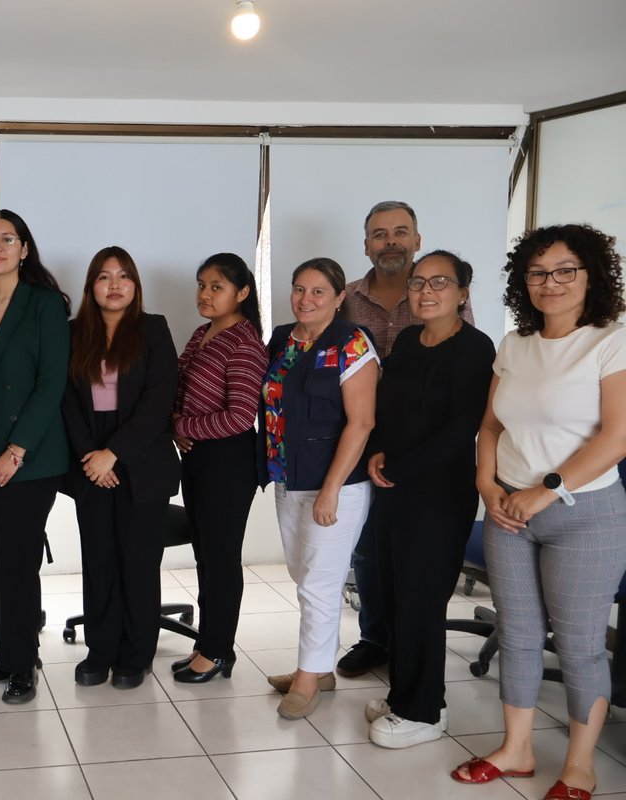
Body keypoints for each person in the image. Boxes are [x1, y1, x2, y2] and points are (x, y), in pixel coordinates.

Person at [451, 224, 626, 800]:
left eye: (565, 270)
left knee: (579, 645)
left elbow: (617, 438)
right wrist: (486, 483)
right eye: (537, 272)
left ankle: (579, 766)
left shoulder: (611, 341)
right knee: (519, 633)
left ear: (591, 275)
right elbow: (490, 426)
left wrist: (546, 490)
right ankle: (517, 749)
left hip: (584, 514)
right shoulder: (515, 344)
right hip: (508, 509)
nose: (550, 282)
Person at [363, 250, 495, 748]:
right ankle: (404, 695)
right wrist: (379, 451)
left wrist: (397, 468)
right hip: (394, 489)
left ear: (463, 293)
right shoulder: (408, 343)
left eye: (440, 282)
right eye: (418, 282)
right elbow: (386, 407)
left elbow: (461, 429)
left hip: (438, 495)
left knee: (420, 600)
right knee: (395, 596)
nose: (426, 291)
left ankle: (424, 711)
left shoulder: (475, 348)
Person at [339, 200, 474, 679]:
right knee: (370, 549)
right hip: (362, 438)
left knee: (417, 561)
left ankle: (410, 649)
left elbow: (462, 379)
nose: (390, 241)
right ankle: (376, 638)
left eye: (400, 232)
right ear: (367, 245)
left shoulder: (446, 298)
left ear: (416, 240)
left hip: (427, 454)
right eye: (380, 234)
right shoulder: (347, 298)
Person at [0, 209, 70, 704]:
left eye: (7, 239)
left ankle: (23, 663)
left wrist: (16, 451)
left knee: (17, 558)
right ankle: (8, 652)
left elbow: (52, 383)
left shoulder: (46, 305)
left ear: (24, 249)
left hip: (32, 458)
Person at [261, 257, 378, 720]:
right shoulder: (282, 338)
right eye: (299, 289)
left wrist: (331, 488)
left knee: (319, 583)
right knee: (302, 574)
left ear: (339, 297)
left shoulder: (352, 342)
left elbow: (362, 422)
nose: (305, 299)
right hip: (288, 478)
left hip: (337, 485)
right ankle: (320, 667)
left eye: (317, 291)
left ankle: (308, 678)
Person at [61, 246, 179, 689]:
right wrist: (91, 455)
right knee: (99, 562)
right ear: (91, 286)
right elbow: (65, 400)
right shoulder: (73, 333)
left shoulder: (153, 329)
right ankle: (100, 649)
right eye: (104, 277)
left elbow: (159, 399)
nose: (114, 285)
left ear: (135, 285)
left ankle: (135, 654)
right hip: (90, 468)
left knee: (138, 563)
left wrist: (115, 452)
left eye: (123, 276)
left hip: (142, 466)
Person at [169, 254, 267, 683]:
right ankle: (206, 644)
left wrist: (181, 426)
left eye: (216, 287)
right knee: (205, 555)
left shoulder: (245, 342)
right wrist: (175, 421)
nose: (205, 294)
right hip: (197, 458)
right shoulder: (202, 333)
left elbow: (241, 416)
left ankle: (218, 650)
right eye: (201, 285)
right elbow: (179, 388)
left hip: (228, 461)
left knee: (222, 558)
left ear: (242, 293)